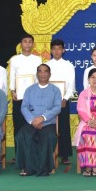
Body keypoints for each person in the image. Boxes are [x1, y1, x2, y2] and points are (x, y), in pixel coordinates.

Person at [16, 64, 62, 177]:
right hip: (31, 122)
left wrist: (43, 118)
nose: (43, 74)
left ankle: (44, 168)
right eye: (40, 71)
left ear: (50, 74)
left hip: (48, 123)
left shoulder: (55, 90)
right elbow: (24, 107)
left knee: (48, 136)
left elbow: (57, 108)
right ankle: (28, 167)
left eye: (45, 71)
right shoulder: (29, 90)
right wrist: (33, 120)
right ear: (37, 74)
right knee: (22, 135)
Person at [8, 34, 43, 162]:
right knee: (19, 125)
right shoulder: (15, 60)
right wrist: (13, 91)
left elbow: (39, 77)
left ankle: (34, 154)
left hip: (34, 97)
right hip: (19, 97)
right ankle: (19, 155)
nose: (27, 44)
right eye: (25, 41)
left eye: (29, 42)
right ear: (21, 44)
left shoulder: (38, 59)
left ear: (33, 44)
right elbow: (12, 76)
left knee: (33, 125)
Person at [46, 39, 76, 165]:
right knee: (48, 127)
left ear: (63, 50)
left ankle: (64, 155)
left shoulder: (69, 65)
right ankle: (48, 153)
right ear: (51, 50)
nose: (57, 51)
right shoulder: (46, 66)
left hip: (63, 101)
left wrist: (65, 98)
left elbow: (71, 85)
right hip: (48, 102)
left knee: (63, 127)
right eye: (54, 49)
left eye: (59, 48)